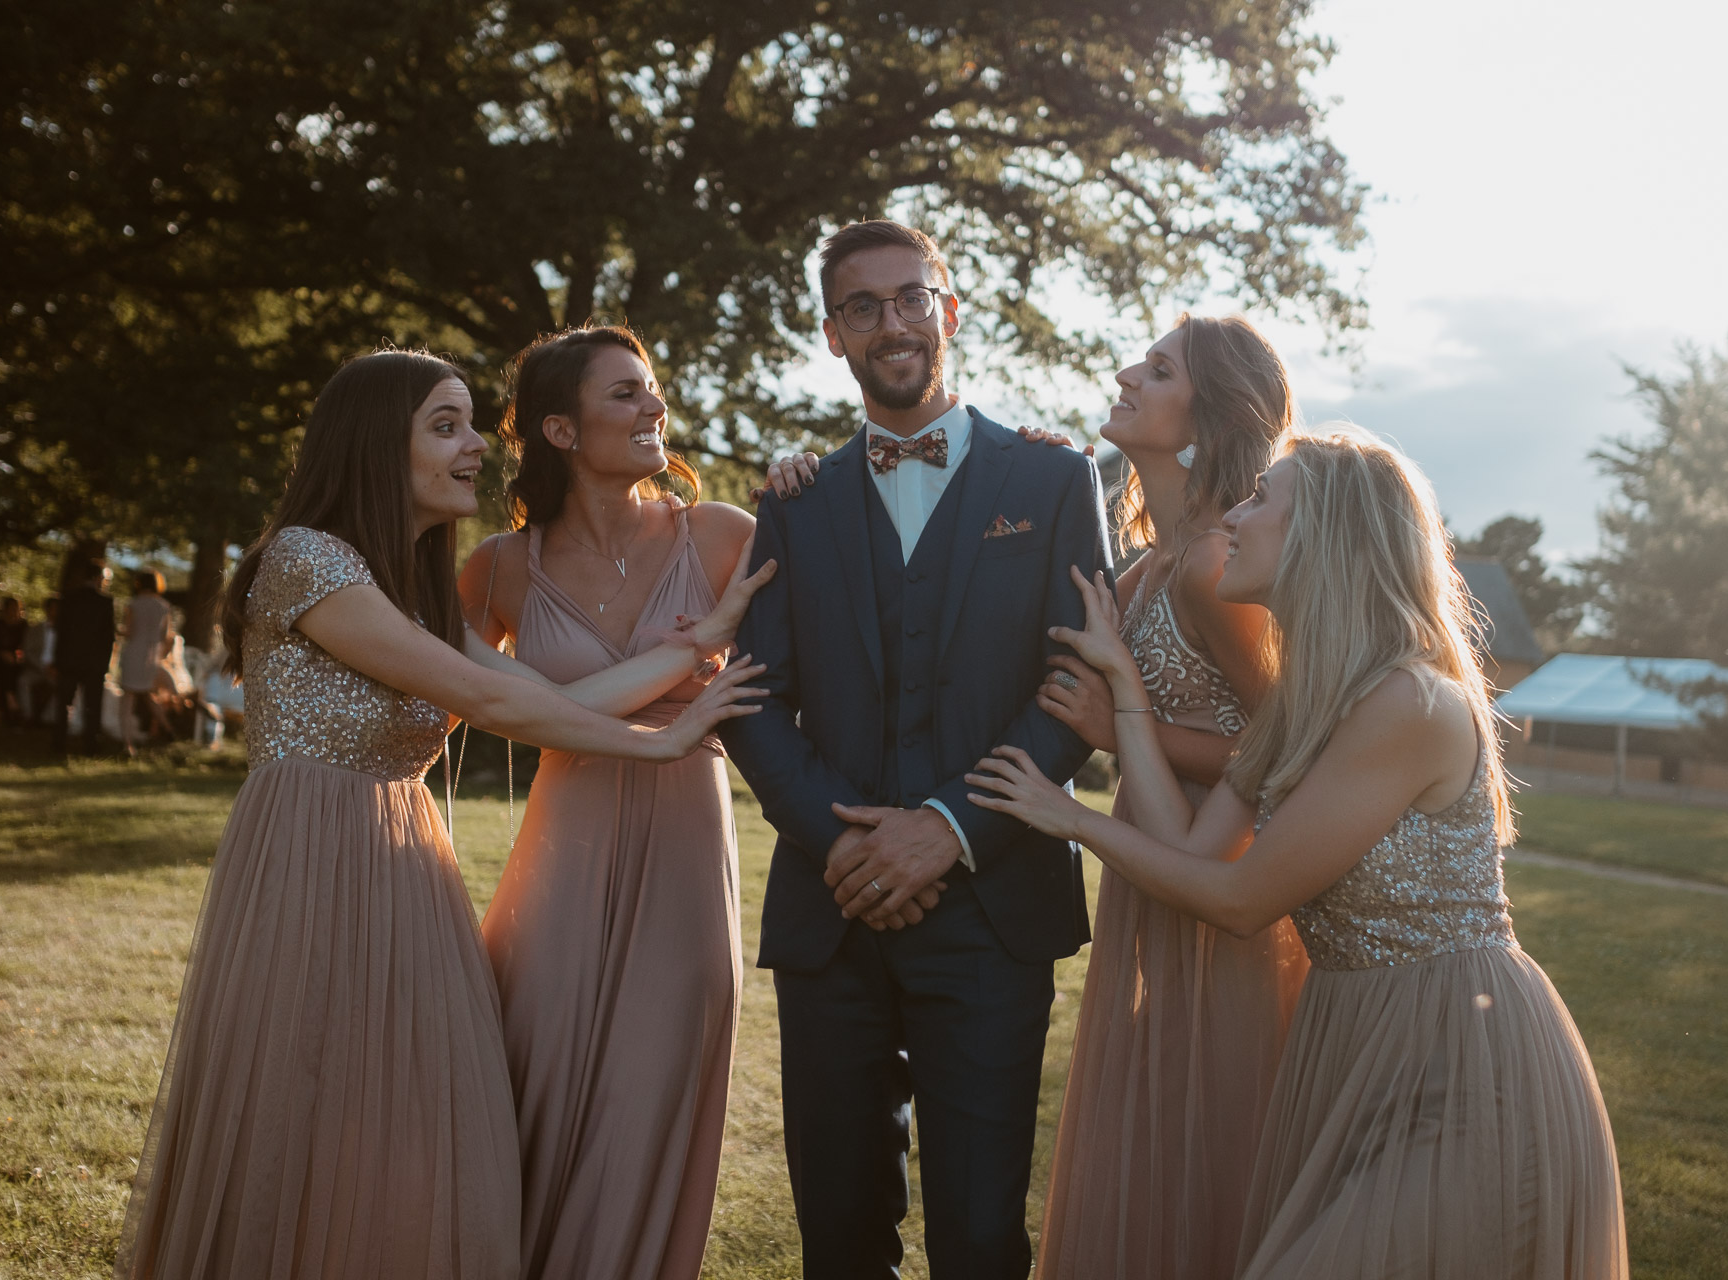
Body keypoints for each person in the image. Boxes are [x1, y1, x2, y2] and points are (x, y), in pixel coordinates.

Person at [115, 348, 769, 1280]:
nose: (477, 448)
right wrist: (663, 743)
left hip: (407, 867)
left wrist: (696, 646)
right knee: (316, 1118)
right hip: (312, 862)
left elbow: (547, 693)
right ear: (380, 444)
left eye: (471, 424)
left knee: (432, 1125)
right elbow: (498, 705)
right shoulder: (307, 561)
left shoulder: (413, 592)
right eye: (448, 426)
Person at [967, 427, 1627, 1279]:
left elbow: (1239, 901)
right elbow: (1186, 850)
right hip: (1355, 1058)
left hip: (1463, 1069)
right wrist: (1125, 688)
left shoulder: (1407, 703)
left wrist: (1075, 820)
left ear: (1327, 532)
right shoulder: (1304, 708)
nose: (1234, 515)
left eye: (1260, 499)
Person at [720, 219, 1110, 1279]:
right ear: (832, 334)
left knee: (980, 1235)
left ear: (948, 306)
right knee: (837, 1234)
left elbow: (1076, 691)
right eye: (862, 306)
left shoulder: (1052, 484)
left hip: (992, 907)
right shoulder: (791, 505)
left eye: (910, 297)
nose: (891, 322)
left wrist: (944, 828)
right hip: (830, 906)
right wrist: (845, 839)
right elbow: (749, 697)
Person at [458, 323, 775, 1280]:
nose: (654, 409)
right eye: (625, 394)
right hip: (564, 852)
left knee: (653, 1091)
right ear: (559, 429)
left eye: (652, 389)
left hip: (685, 847)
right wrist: (692, 651)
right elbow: (493, 709)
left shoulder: (721, 535)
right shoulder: (498, 570)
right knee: (536, 1081)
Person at [1031, 317, 1309, 1280]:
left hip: (1222, 880)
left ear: (1214, 413)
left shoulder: (1212, 567)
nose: (1125, 376)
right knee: (1152, 1130)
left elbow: (1290, 737)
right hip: (1151, 863)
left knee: (1213, 1143)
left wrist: (1120, 731)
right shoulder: (1153, 558)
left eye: (1158, 370)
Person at [54, 560, 117, 754]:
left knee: (64, 704)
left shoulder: (68, 598)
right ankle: (90, 745)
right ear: (98, 577)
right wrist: (104, 664)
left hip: (69, 661)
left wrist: (58, 659)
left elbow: (60, 631)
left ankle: (58, 744)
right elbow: (108, 637)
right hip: (93, 664)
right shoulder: (104, 602)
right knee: (92, 706)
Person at [118, 571, 175, 752]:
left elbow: (129, 631)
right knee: (148, 694)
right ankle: (169, 729)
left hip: (134, 653)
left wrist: (118, 630)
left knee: (128, 700)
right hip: (152, 656)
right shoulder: (163, 606)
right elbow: (167, 636)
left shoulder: (133, 604)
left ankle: (128, 744)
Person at [0, 596, 28, 727]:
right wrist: (2, 654)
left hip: (15, 664)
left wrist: (17, 656)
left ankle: (0, 710)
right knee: (4, 669)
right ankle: (11, 701)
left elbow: (25, 647)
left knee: (8, 671)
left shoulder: (23, 626)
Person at [21, 597, 58, 725]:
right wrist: (42, 666)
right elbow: (28, 651)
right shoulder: (35, 629)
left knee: (62, 685)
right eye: (52, 609)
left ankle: (48, 718)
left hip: (55, 670)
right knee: (23, 681)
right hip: (36, 668)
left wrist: (55, 668)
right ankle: (28, 716)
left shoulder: (65, 631)